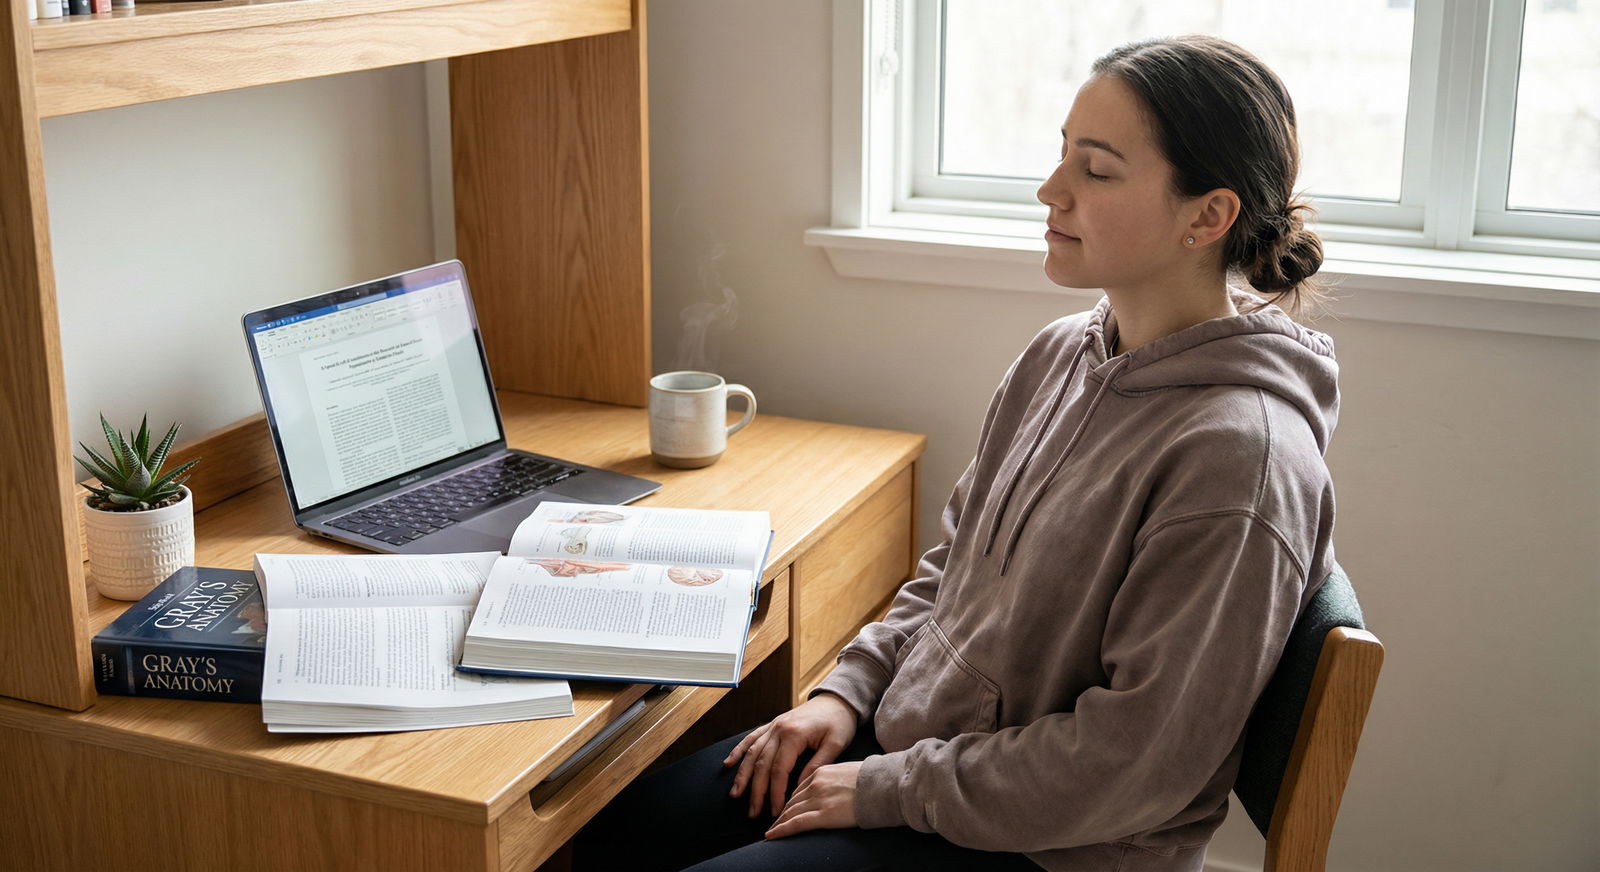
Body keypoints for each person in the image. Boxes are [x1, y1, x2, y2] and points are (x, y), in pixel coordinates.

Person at [574, 34, 1338, 872]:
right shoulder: (1064, 353)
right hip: (926, 754)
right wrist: (845, 693)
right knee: (619, 834)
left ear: (1208, 215)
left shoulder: (1241, 461)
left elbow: (1135, 763)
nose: (1051, 191)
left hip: (1052, 846)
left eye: (1098, 170)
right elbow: (953, 569)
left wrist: (885, 790)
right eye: (1061, 156)